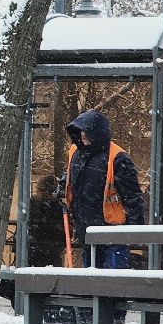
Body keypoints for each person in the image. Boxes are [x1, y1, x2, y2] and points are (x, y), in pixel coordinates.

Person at [65, 109, 146, 268]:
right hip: (86, 230)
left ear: (96, 134)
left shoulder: (117, 157)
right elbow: (69, 177)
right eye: (81, 135)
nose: (83, 139)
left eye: (86, 135)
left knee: (113, 279)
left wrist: (134, 229)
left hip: (113, 232)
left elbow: (132, 196)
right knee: (92, 278)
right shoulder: (75, 152)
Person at [26, 174, 67, 266]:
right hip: (51, 250)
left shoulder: (30, 203)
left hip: (31, 249)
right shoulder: (58, 206)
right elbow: (63, 230)